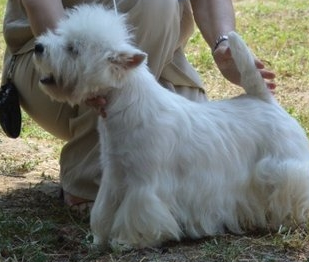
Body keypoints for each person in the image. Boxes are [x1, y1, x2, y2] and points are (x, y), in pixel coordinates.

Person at [2, 0, 276, 210]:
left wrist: (223, 43)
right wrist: (78, 71)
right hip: (48, 57)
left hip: (148, 61)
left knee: (197, 153)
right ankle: (89, 179)